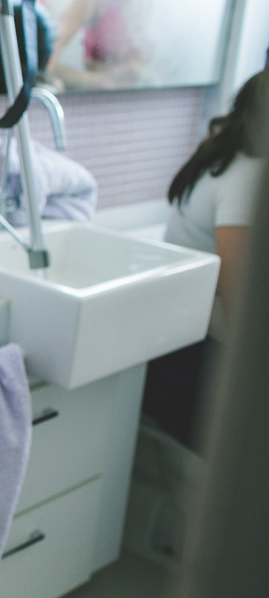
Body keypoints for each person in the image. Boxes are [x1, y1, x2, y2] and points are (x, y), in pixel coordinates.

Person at [142, 69, 267, 451]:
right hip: (193, 368)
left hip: (175, 351)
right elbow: (239, 309)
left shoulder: (226, 153)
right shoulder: (248, 179)